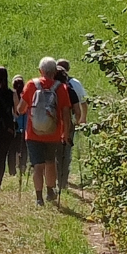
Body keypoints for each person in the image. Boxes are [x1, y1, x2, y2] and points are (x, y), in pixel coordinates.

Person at [17, 57, 72, 206]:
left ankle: (39, 198)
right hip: (53, 133)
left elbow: (20, 109)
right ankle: (50, 191)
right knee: (50, 163)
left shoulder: (31, 85)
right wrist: (65, 133)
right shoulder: (61, 88)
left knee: (37, 165)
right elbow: (66, 113)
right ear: (54, 72)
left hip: (33, 133)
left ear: (40, 70)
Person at [54, 66, 83, 193]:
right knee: (65, 154)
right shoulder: (70, 91)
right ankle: (63, 181)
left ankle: (52, 180)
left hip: (51, 125)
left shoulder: (49, 90)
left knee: (52, 154)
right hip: (67, 126)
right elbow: (77, 111)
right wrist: (77, 123)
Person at [7, 76, 29, 177]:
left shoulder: (11, 96)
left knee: (11, 150)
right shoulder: (27, 96)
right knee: (24, 149)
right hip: (25, 127)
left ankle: (12, 171)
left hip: (13, 127)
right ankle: (22, 167)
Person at [57, 59, 88, 125]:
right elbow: (83, 101)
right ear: (68, 69)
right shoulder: (75, 83)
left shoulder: (50, 84)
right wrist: (83, 119)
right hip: (70, 117)